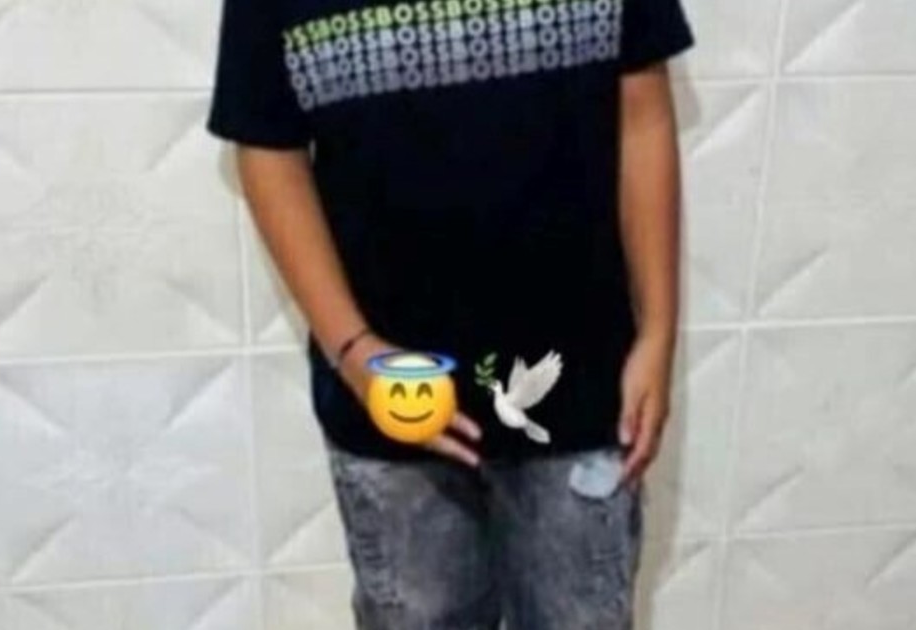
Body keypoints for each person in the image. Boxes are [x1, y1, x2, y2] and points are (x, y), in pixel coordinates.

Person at [207, 0, 693, 627]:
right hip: (392, 402)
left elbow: (643, 112)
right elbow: (267, 147)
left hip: (586, 388)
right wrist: (354, 351)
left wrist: (658, 331)